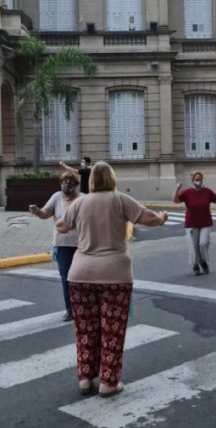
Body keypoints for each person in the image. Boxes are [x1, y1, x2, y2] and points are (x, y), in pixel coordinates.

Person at [55, 161, 168, 397]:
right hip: (115, 274)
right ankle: (109, 382)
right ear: (113, 179)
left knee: (85, 329)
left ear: (92, 180)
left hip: (80, 275)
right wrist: (161, 217)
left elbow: (62, 225)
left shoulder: (80, 202)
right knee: (112, 330)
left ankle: (85, 378)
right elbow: (146, 217)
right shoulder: (120, 200)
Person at [29, 172, 84, 322]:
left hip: (81, 245)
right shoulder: (57, 197)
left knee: (81, 279)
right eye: (64, 181)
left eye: (70, 181)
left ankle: (84, 307)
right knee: (66, 278)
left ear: (76, 184)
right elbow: (46, 213)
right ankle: (70, 310)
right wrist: (37, 211)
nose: (66, 184)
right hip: (62, 244)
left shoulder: (83, 199)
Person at [173, 171, 216, 275]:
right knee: (194, 246)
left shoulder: (207, 191)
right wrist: (177, 189)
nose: (198, 181)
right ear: (193, 180)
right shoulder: (187, 192)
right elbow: (175, 200)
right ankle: (195, 265)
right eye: (196, 179)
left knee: (203, 243)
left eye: (200, 179)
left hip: (205, 223)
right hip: (191, 223)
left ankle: (203, 261)